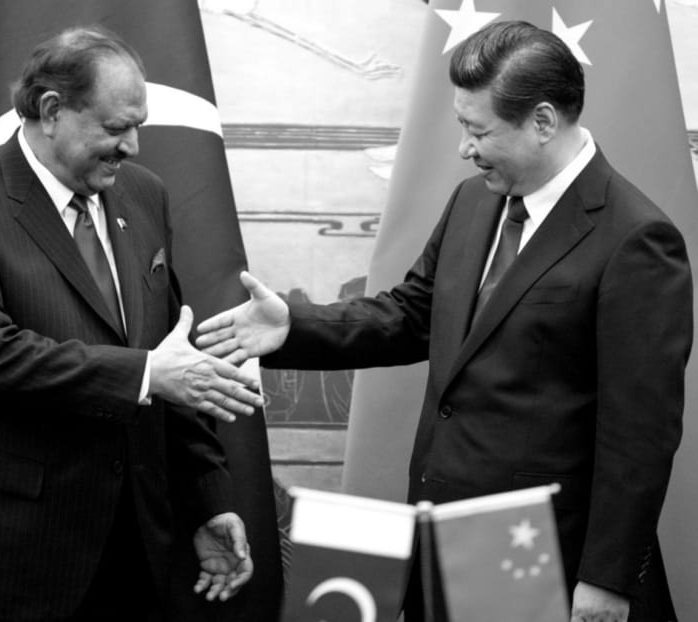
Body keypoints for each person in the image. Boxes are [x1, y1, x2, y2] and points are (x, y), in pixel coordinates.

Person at [197, 20, 693, 622]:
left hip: (545, 557)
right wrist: (294, 327)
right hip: (445, 541)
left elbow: (639, 435)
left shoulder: (637, 239)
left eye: (478, 130)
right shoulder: (473, 201)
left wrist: (606, 578)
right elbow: (413, 314)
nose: (463, 148)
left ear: (542, 122)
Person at [0, 25, 263, 622]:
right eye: (116, 128)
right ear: (52, 110)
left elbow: (172, 360)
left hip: (131, 552)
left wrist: (207, 501)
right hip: (2, 556)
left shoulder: (144, 194)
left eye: (137, 126)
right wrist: (146, 374)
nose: (132, 146)